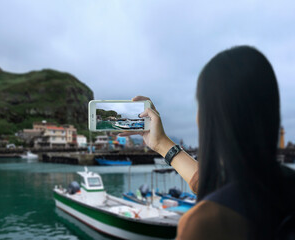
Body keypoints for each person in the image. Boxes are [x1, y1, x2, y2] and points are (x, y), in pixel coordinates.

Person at [120, 46, 295, 239]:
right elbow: (216, 185)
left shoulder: (204, 223)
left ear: (211, 116)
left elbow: (225, 193)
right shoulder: (282, 187)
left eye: (200, 105)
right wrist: (161, 143)